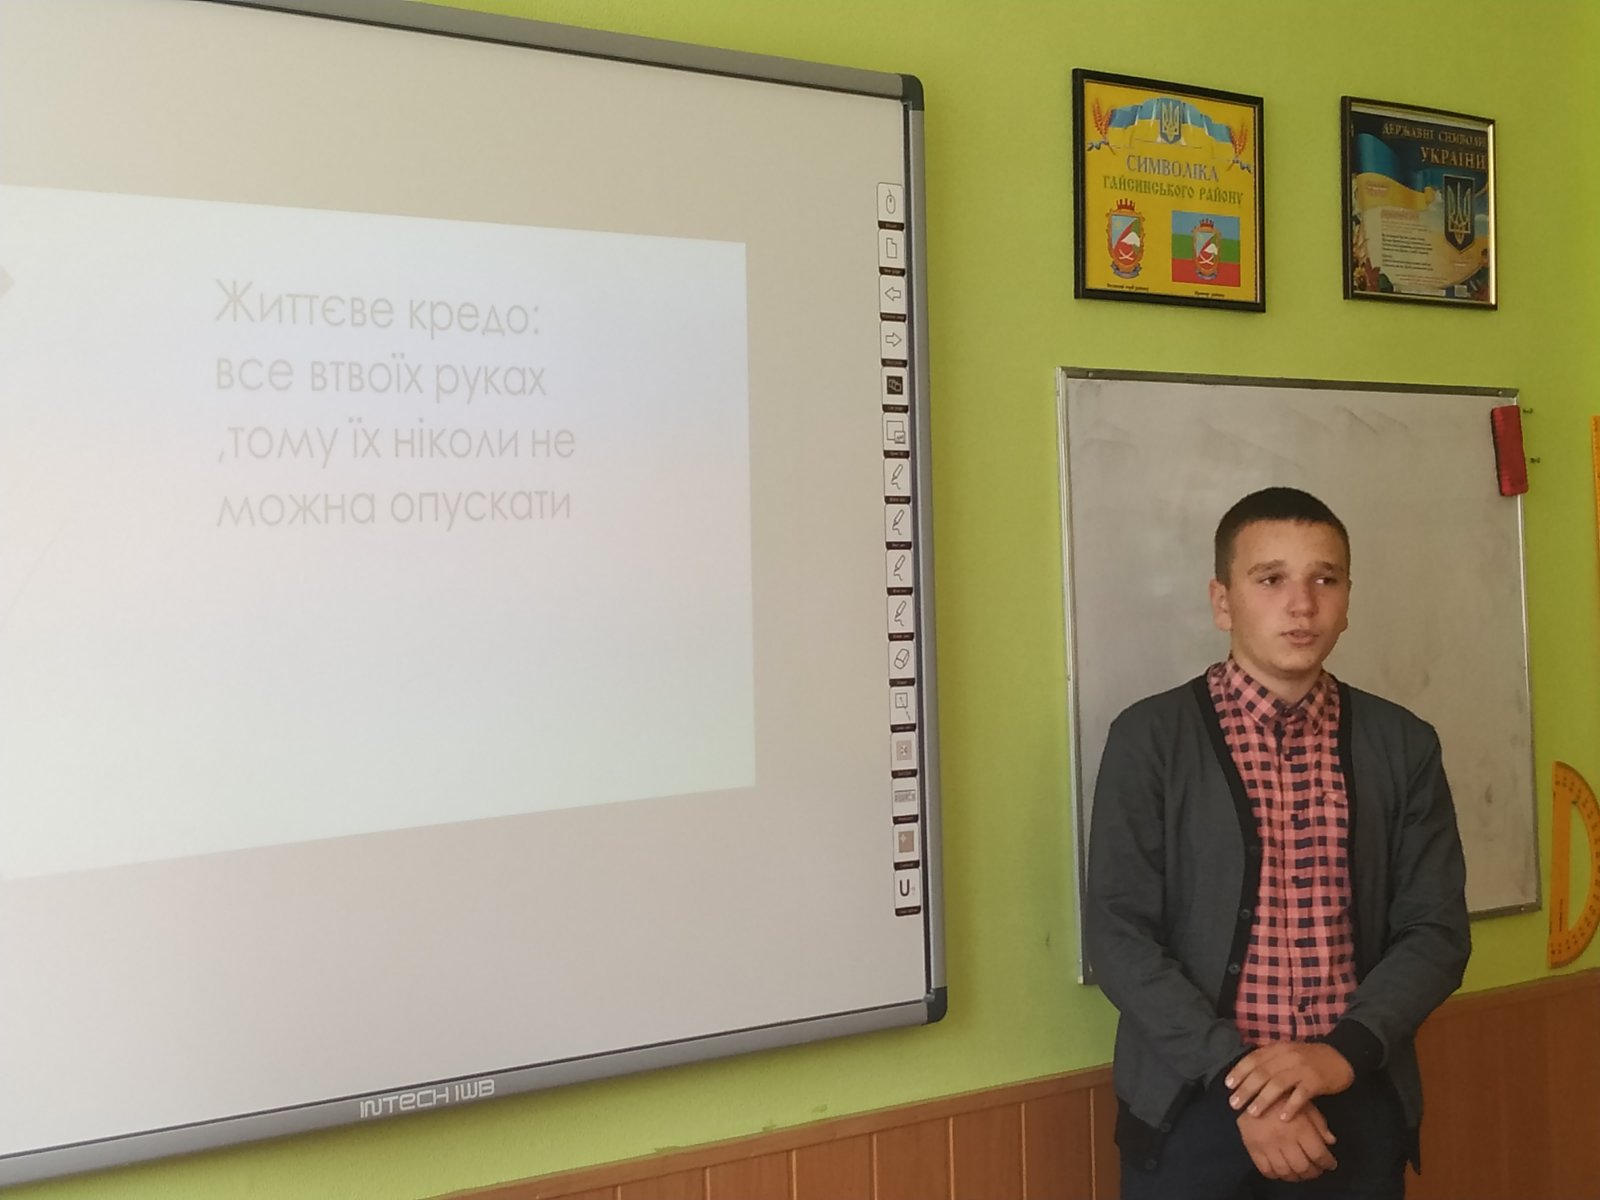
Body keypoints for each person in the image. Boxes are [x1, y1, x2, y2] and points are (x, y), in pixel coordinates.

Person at [1085, 486, 1470, 1199]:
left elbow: (1436, 931)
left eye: (1325, 579)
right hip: (1191, 1108)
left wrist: (1339, 1056)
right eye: (1270, 579)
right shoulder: (1149, 739)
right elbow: (1118, 933)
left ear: (1347, 600)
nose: (1301, 605)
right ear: (1222, 601)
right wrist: (1243, 1082)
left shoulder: (1403, 744)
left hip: (1352, 1094)